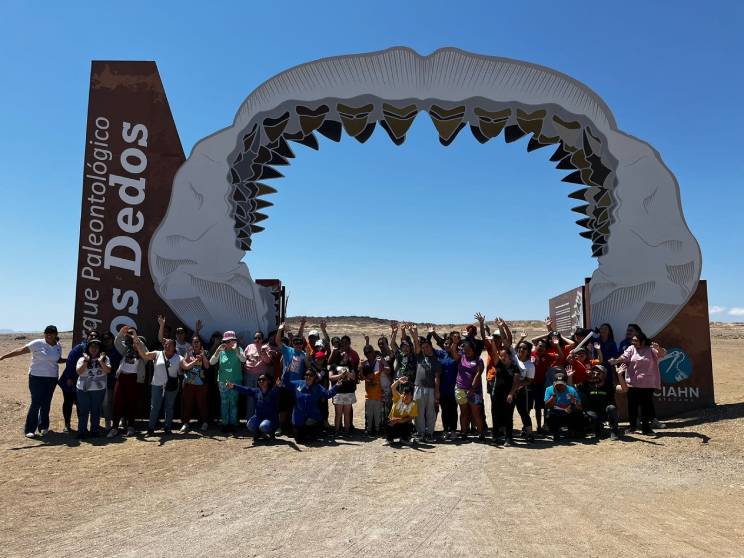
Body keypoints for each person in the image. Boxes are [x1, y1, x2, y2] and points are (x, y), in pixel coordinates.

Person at [0, 325, 64, 438]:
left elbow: (57, 360)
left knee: (46, 403)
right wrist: (4, 356)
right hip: (36, 377)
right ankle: (30, 429)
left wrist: (71, 359)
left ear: (56, 334)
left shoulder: (58, 346)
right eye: (47, 332)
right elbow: (21, 350)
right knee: (36, 402)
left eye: (52, 333)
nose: (49, 335)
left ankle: (43, 426)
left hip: (52, 378)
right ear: (44, 333)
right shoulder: (37, 343)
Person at [134, 335, 199, 436]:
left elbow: (186, 367)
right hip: (157, 385)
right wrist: (138, 346)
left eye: (169, 344)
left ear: (174, 347)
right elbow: (145, 355)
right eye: (165, 344)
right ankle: (151, 428)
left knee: (169, 407)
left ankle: (167, 428)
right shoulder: (157, 354)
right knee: (154, 407)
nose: (166, 346)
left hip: (171, 386)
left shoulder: (179, 358)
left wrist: (195, 361)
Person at [609, 329, 667, 435]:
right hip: (633, 383)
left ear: (643, 341)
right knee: (632, 406)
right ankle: (632, 427)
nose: (633, 343)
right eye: (633, 341)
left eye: (636, 341)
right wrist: (616, 361)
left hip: (647, 384)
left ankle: (646, 428)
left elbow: (662, 354)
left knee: (646, 407)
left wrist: (658, 348)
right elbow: (624, 356)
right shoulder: (631, 348)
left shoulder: (651, 349)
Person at [108, 326, 148, 437]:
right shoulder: (126, 350)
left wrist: (136, 337)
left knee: (132, 403)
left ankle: (131, 426)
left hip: (134, 379)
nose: (133, 342)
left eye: (136, 341)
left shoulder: (143, 354)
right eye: (129, 335)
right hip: (121, 378)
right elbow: (117, 343)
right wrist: (121, 333)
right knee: (117, 402)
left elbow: (145, 353)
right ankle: (114, 427)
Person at [59, 329, 99, 433]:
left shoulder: (96, 349)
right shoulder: (79, 348)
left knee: (81, 404)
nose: (93, 338)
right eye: (91, 336)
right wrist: (69, 378)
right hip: (70, 380)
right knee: (68, 402)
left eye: (95, 336)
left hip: (83, 381)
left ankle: (82, 426)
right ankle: (67, 425)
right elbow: (70, 362)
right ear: (87, 336)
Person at [209, 330, 247, 433]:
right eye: (227, 341)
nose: (229, 343)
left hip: (235, 381)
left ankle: (233, 423)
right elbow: (211, 362)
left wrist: (236, 351)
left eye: (231, 340)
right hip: (222, 381)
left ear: (235, 341)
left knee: (234, 402)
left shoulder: (239, 349)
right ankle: (225, 423)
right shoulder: (221, 351)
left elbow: (244, 360)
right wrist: (217, 351)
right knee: (224, 403)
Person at [275, 320, 308, 433]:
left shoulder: (304, 355)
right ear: (292, 344)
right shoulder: (288, 350)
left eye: (300, 343)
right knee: (283, 407)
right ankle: (281, 427)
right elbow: (278, 341)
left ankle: (292, 427)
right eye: (296, 343)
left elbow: (308, 368)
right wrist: (280, 329)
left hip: (298, 386)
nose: (298, 345)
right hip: (286, 383)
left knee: (294, 407)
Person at [449, 337, 485, 440]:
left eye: (469, 349)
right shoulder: (461, 357)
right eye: (465, 349)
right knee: (463, 412)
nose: (467, 351)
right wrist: (455, 343)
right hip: (460, 388)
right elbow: (453, 351)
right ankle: (464, 433)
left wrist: (472, 389)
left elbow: (478, 374)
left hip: (474, 390)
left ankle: (481, 433)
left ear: (473, 349)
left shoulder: (478, 360)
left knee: (476, 413)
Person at [74, 338, 111, 438]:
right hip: (83, 389)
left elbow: (108, 370)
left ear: (100, 349)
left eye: (96, 347)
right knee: (83, 411)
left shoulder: (105, 358)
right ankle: (82, 431)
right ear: (88, 348)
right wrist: (86, 361)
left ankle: (94, 430)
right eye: (92, 347)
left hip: (98, 389)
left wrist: (101, 361)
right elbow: (79, 372)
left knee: (96, 410)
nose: (94, 349)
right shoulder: (82, 359)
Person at [226, 373, 280, 440]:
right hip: (259, 417)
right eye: (259, 379)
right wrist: (233, 386)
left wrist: (277, 386)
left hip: (270, 419)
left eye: (263, 379)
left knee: (264, 426)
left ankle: (270, 432)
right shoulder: (256, 391)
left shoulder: (272, 391)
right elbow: (245, 389)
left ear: (268, 381)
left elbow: (276, 391)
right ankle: (259, 433)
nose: (261, 381)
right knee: (250, 425)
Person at [410, 326, 441, 442]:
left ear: (431, 347)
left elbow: (437, 378)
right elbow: (416, 344)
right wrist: (414, 332)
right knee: (418, 412)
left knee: (430, 413)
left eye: (427, 347)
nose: (425, 349)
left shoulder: (436, 362)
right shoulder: (419, 357)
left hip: (431, 389)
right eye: (423, 348)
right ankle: (420, 432)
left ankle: (429, 433)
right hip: (418, 388)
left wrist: (437, 392)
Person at [290, 369, 338, 443]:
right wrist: (284, 375)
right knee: (299, 440)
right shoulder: (298, 384)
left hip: (312, 416)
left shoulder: (318, 387)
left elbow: (328, 394)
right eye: (306, 375)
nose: (308, 377)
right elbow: (287, 384)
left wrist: (336, 386)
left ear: (314, 377)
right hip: (298, 417)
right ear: (304, 376)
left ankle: (312, 433)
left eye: (311, 375)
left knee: (310, 438)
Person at [243, 330, 276, 426]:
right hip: (248, 375)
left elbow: (268, 362)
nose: (257, 340)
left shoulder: (266, 347)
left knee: (260, 398)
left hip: (260, 377)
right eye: (255, 338)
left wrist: (263, 353)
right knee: (249, 397)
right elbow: (243, 358)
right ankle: (249, 421)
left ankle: (259, 420)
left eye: (259, 338)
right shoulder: (249, 347)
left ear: (262, 339)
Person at [580, 364, 620, 440]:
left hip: (606, 412)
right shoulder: (586, 384)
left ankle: (614, 431)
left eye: (598, 373)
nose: (595, 375)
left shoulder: (609, 385)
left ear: (604, 375)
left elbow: (624, 389)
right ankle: (598, 427)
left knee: (611, 408)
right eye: (593, 373)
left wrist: (619, 375)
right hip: (593, 413)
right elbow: (571, 388)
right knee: (591, 417)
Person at [180, 335, 211, 433]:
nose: (196, 344)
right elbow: (185, 366)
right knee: (187, 404)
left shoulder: (205, 352)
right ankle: (185, 423)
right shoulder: (188, 353)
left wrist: (203, 357)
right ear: (192, 344)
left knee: (202, 404)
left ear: (200, 343)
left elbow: (207, 366)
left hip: (201, 384)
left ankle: (205, 423)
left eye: (197, 342)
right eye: (194, 342)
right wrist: (189, 356)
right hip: (189, 383)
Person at [508, 340, 536, 443]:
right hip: (508, 391)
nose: (521, 349)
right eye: (520, 347)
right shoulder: (513, 358)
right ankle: (508, 435)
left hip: (521, 392)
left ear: (528, 351)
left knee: (524, 413)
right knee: (508, 413)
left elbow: (529, 380)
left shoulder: (530, 365)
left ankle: (529, 433)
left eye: (524, 348)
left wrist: (517, 386)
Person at [432, 332, 459, 441]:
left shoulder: (456, 354)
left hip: (453, 388)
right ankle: (446, 430)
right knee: (445, 410)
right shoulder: (440, 353)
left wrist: (455, 345)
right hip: (443, 388)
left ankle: (453, 430)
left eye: (448, 344)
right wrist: (431, 333)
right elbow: (428, 348)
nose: (446, 345)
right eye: (445, 344)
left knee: (453, 409)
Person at [544, 372, 583, 442]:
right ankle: (555, 432)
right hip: (555, 414)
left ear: (566, 383)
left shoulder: (571, 390)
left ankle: (573, 430)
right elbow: (547, 406)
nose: (559, 386)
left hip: (568, 414)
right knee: (549, 415)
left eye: (561, 384)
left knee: (578, 414)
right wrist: (554, 395)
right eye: (557, 384)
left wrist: (574, 401)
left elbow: (580, 407)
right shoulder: (549, 389)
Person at [328, 345, 357, 435]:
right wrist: (341, 375)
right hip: (338, 392)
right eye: (343, 354)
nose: (345, 356)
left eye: (346, 355)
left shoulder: (350, 366)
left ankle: (346, 431)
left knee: (347, 413)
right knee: (338, 413)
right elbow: (331, 377)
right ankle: (337, 431)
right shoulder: (334, 366)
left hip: (348, 392)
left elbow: (353, 377)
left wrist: (347, 373)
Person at [529, 339, 555, 435]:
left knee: (542, 407)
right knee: (531, 407)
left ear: (545, 349)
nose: (541, 348)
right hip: (530, 384)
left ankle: (544, 426)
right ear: (536, 346)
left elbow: (561, 356)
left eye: (543, 347)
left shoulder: (547, 356)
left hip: (542, 385)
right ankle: (534, 426)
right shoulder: (530, 354)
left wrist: (556, 345)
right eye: (539, 346)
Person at [386, 377, 418, 445]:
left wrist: (398, 420)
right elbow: (392, 388)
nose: (405, 397)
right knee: (389, 422)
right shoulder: (398, 397)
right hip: (393, 422)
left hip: (402, 422)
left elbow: (410, 418)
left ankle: (404, 439)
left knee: (410, 425)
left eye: (408, 395)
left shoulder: (414, 404)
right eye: (404, 394)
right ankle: (389, 439)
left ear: (412, 396)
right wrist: (398, 381)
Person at [361, 345, 385, 436]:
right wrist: (360, 366)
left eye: (370, 374)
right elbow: (361, 375)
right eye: (368, 375)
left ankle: (377, 429)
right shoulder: (366, 378)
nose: (369, 376)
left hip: (378, 398)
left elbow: (381, 369)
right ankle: (369, 429)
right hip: (369, 399)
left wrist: (381, 361)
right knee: (369, 415)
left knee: (377, 415)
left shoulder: (376, 375)